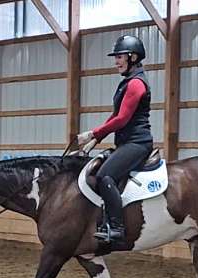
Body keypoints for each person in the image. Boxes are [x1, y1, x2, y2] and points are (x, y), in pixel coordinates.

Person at [77, 35, 153, 244]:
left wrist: (92, 133)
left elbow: (121, 119)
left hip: (137, 143)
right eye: (116, 57)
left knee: (105, 176)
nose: (116, 61)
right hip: (127, 142)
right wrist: (96, 139)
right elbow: (115, 116)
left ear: (133, 56)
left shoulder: (136, 84)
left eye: (120, 57)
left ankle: (117, 228)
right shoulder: (126, 83)